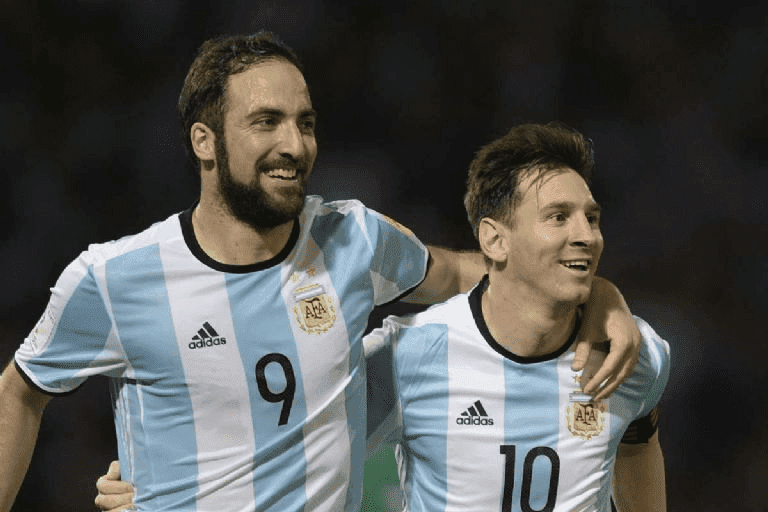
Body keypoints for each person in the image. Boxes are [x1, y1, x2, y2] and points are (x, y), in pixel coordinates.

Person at [0, 32, 639, 512]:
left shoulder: (351, 237)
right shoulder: (113, 278)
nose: (295, 144)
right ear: (204, 141)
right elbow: (19, 393)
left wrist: (596, 294)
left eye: (304, 123)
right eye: (266, 122)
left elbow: (471, 272)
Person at [361, 122, 670, 511]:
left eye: (591, 218)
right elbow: (311, 456)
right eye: (558, 217)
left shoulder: (631, 353)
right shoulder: (407, 355)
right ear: (495, 240)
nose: (587, 236)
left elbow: (638, 441)